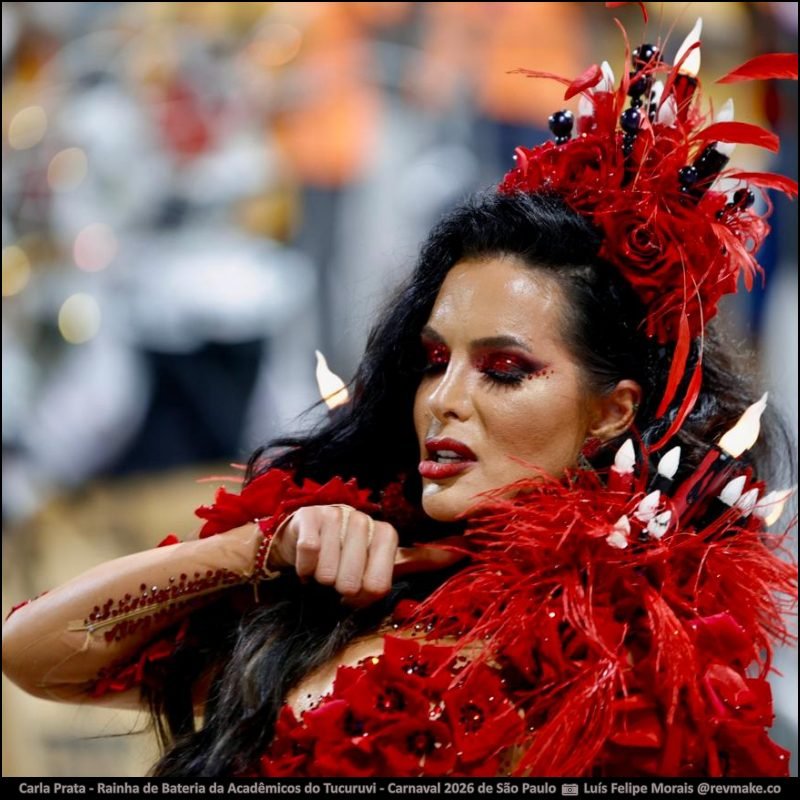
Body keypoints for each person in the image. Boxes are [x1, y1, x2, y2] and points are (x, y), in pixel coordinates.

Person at [3, 18, 798, 778]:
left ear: (613, 412)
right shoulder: (346, 576)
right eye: (432, 361)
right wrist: (257, 550)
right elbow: (32, 653)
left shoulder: (648, 650)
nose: (444, 400)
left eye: (505, 369)